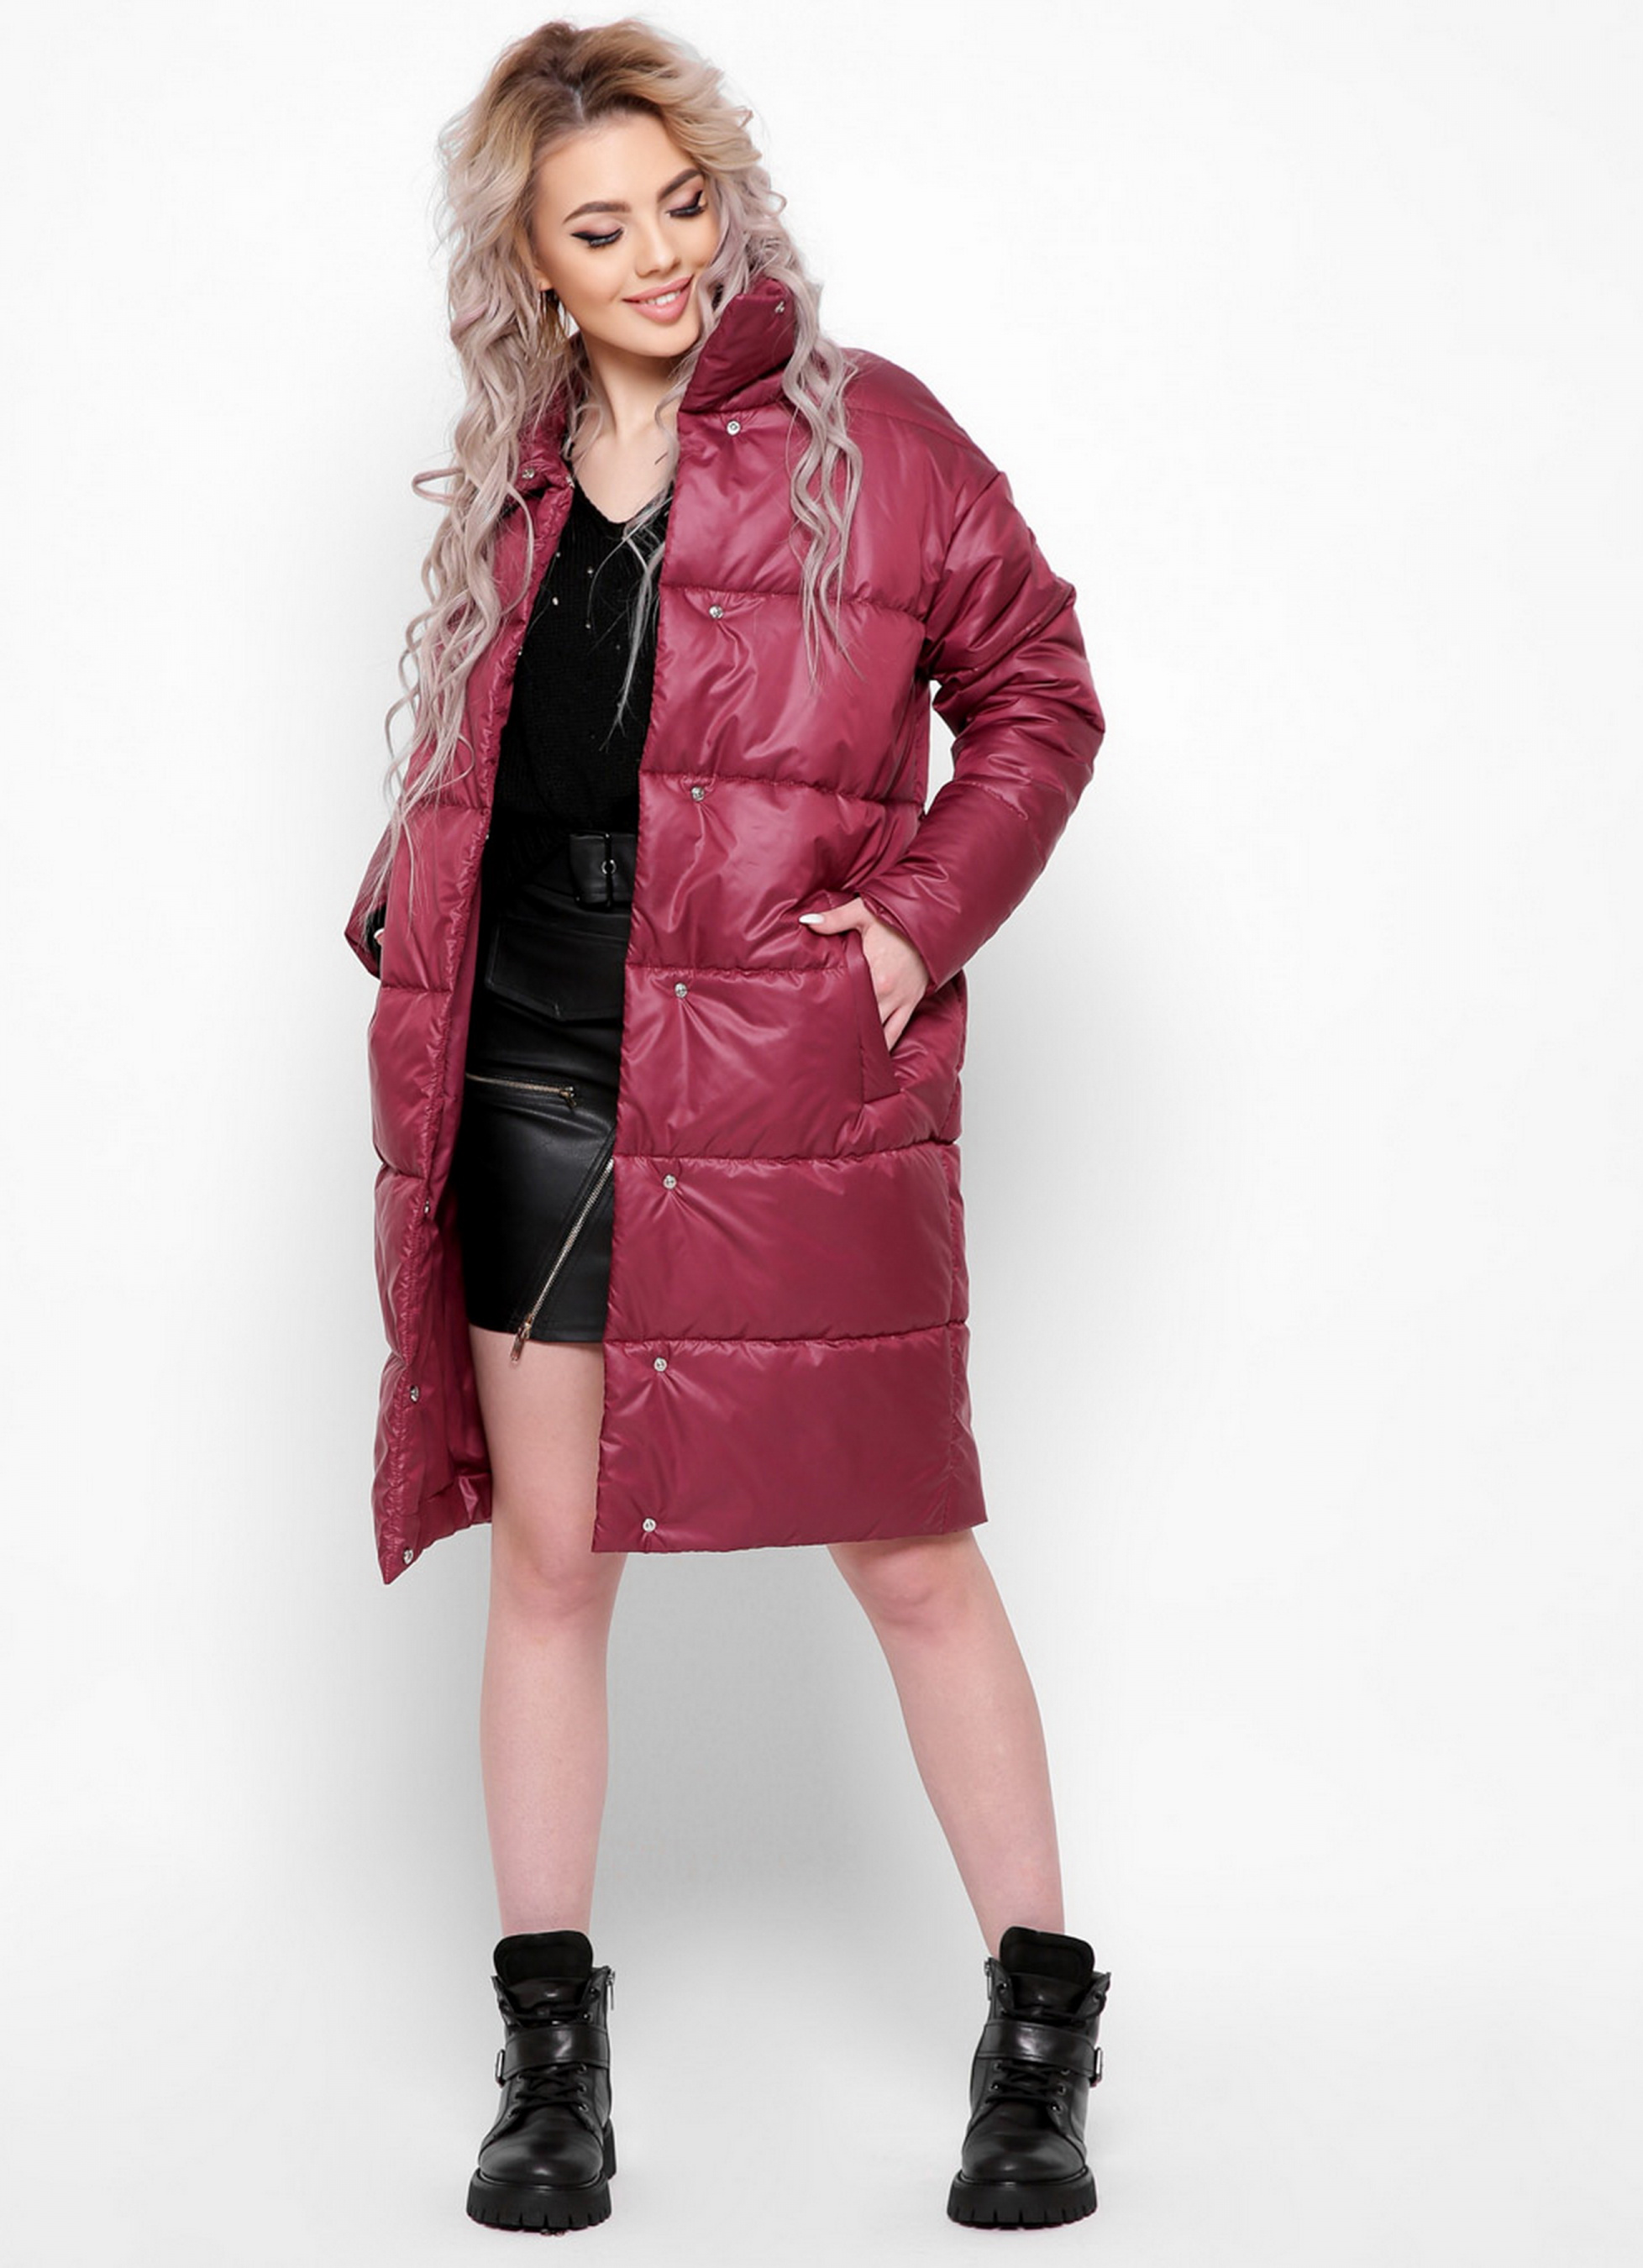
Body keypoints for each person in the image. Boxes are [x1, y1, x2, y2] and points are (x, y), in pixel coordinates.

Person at [344, 17, 1110, 2236]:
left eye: (684, 203)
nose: (663, 256)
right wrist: (406, 903)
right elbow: (510, 770)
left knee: (907, 1549)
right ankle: (549, 2064)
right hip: (529, 1060)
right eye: (603, 229)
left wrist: (916, 926)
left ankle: (1040, 2034)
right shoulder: (513, 475)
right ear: (532, 263)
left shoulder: (880, 441)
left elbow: (1040, 695)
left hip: (785, 1072)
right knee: (552, 1561)